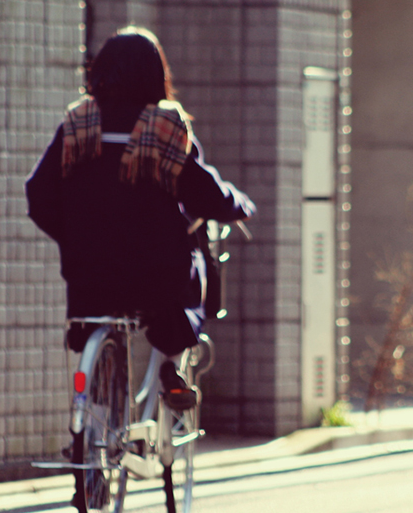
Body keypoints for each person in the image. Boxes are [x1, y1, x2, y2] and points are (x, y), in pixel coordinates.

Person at [26, 26, 255, 410]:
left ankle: (93, 418)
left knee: (98, 306)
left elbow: (38, 195)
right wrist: (240, 205)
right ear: (156, 75)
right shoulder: (166, 127)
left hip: (89, 272)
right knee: (194, 275)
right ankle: (172, 367)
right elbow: (207, 195)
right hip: (155, 275)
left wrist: (74, 235)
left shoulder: (78, 123)